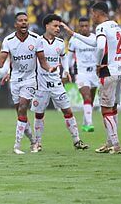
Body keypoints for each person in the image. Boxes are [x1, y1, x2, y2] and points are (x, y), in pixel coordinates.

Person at [62, 2, 121, 154]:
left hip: (108, 70)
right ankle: (110, 142)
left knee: (105, 109)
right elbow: (95, 42)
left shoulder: (101, 27)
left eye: (92, 14)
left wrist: (99, 64)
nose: (92, 17)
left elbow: (99, 46)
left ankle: (116, 145)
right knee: (113, 107)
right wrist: (73, 34)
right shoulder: (115, 26)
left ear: (98, 13)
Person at [0, 12, 57, 155]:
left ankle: (17, 145)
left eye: (26, 20)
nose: (24, 23)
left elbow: (42, 61)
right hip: (15, 81)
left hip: (30, 80)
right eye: (20, 21)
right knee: (21, 114)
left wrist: (50, 68)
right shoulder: (8, 40)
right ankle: (34, 142)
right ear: (16, 24)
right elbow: (2, 61)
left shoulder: (36, 39)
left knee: (22, 107)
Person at [29, 14, 89, 152]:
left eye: (59, 26)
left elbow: (64, 58)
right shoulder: (37, 41)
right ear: (47, 26)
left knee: (67, 111)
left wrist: (66, 71)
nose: (58, 29)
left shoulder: (60, 42)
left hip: (56, 84)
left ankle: (77, 141)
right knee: (39, 114)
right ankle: (37, 143)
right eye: (55, 26)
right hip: (41, 85)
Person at [66, 17, 99, 132]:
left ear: (89, 26)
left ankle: (85, 123)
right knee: (87, 96)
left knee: (91, 100)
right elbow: (69, 58)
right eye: (82, 26)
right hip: (81, 73)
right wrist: (66, 71)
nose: (84, 28)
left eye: (86, 26)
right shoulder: (74, 40)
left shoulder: (95, 38)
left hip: (94, 73)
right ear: (79, 27)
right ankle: (90, 123)